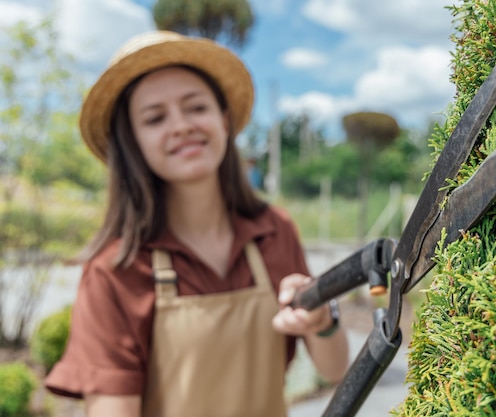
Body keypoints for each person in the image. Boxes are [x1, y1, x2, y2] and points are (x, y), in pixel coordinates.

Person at [45, 30, 349, 417]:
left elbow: (336, 368)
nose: (182, 125)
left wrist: (319, 320)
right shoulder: (114, 270)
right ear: (133, 142)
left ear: (224, 120)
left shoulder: (274, 229)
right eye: (155, 118)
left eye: (196, 108)